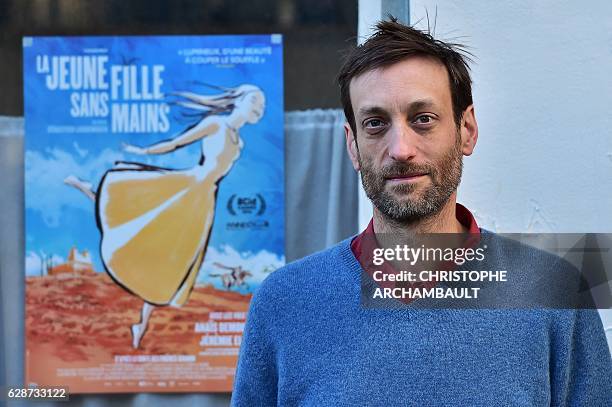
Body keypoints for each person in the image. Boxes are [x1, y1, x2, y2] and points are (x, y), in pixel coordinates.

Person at [231, 20, 611, 405]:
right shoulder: (284, 303)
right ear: (352, 144)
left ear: (466, 129)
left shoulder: (557, 293)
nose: (400, 149)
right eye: (375, 123)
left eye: (422, 119)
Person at [65, 84, 266, 349]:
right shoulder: (215, 124)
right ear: (239, 99)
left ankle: (142, 323)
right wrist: (142, 153)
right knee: (135, 210)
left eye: (261, 106)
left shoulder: (238, 143)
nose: (258, 108)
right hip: (188, 186)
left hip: (205, 202)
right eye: (254, 100)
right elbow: (175, 143)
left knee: (176, 262)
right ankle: (85, 188)